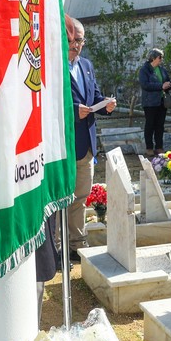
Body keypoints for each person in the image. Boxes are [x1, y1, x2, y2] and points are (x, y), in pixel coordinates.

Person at [36, 16, 116, 312]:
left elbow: (92, 96)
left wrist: (104, 104)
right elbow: (47, 102)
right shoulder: (49, 64)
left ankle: (76, 246)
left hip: (86, 144)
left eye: (80, 41)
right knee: (59, 199)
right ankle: (54, 250)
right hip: (62, 146)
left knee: (81, 196)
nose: (76, 46)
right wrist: (74, 110)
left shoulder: (86, 65)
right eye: (72, 41)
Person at [138, 48, 171, 156]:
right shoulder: (144, 70)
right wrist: (160, 86)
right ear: (153, 58)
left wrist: (168, 84)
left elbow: (167, 79)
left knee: (160, 125)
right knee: (150, 125)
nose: (161, 59)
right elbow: (145, 85)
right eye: (160, 57)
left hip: (161, 102)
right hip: (150, 102)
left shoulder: (161, 69)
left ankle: (159, 146)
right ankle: (149, 147)